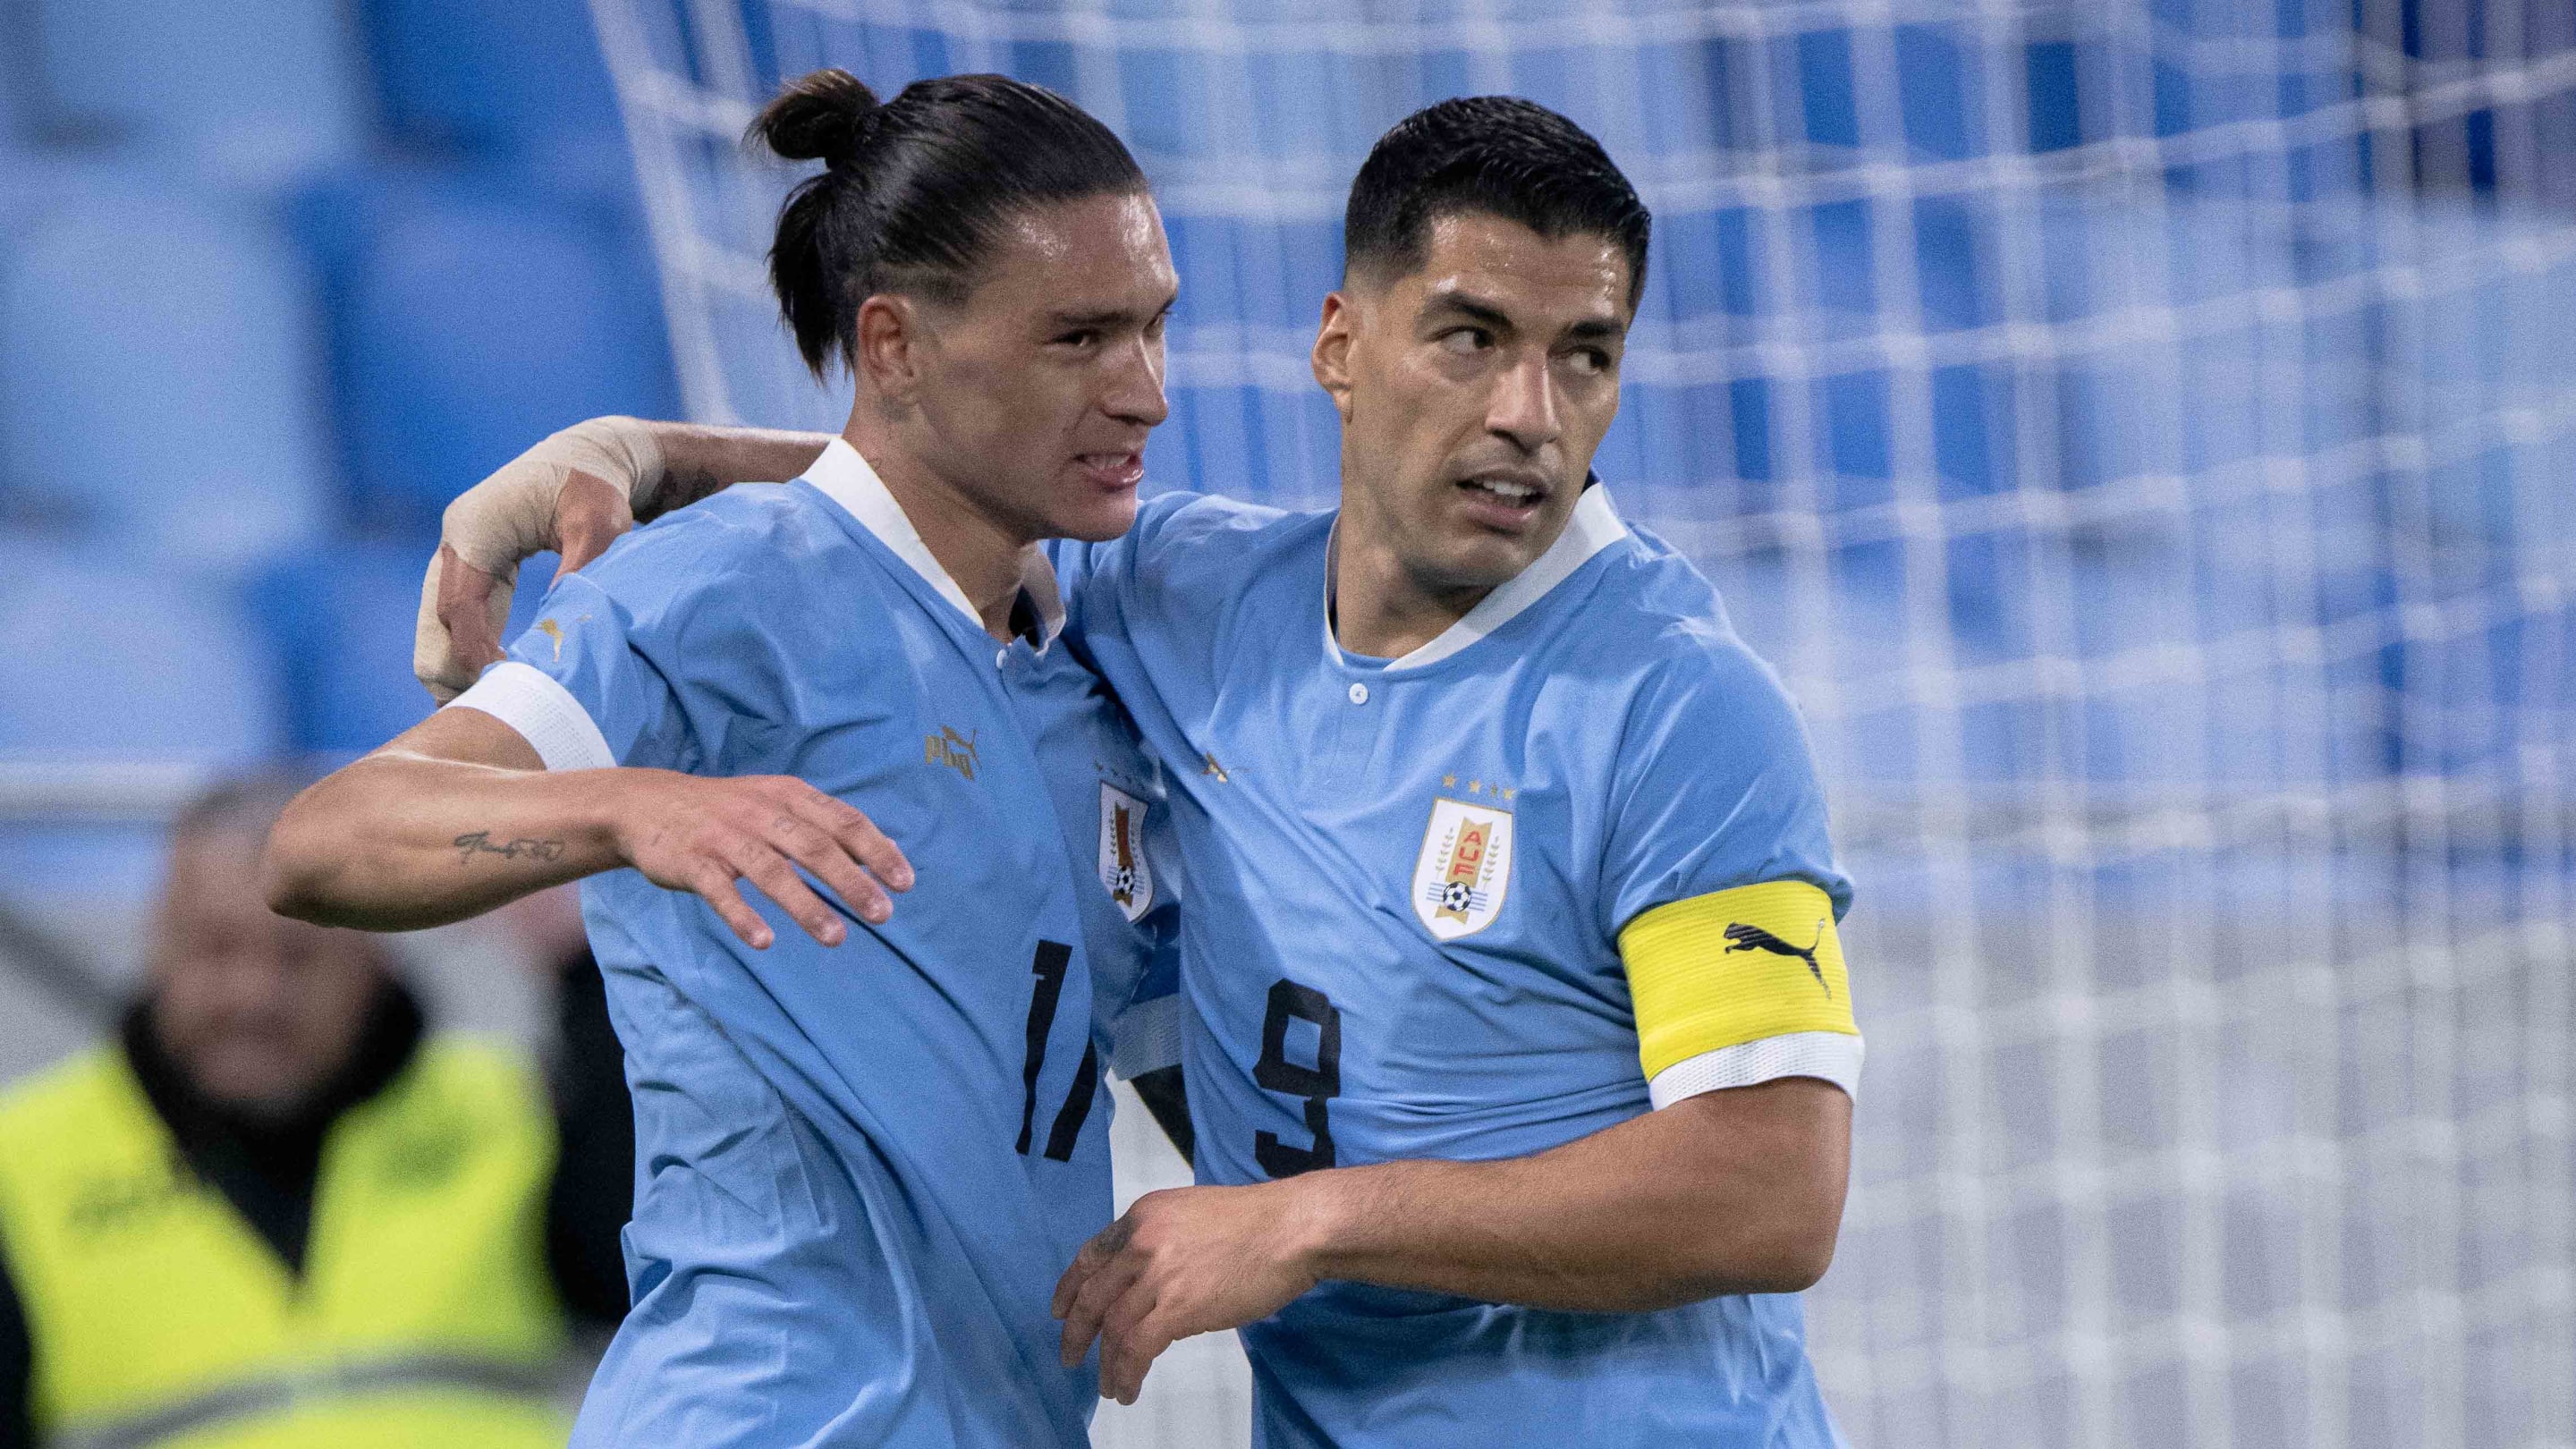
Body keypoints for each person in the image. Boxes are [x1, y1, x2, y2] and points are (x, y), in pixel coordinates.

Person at [418, 96, 1861, 1446]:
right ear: (1340, 345)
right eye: (1470, 338)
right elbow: (936, 479)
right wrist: (637, 453)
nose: (1528, 414)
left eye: (1586, 355)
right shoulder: (1190, 599)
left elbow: (1773, 1191)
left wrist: (1308, 1223)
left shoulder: (1677, 704)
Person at [266, 70, 1185, 1449]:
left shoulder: (1089, 671)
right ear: (895, 346)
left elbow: (1198, 1094)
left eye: (1155, 326)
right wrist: (631, 808)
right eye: (1080, 339)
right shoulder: (734, 583)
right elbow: (325, 840)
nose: (1147, 392)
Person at [0, 773, 632, 1449]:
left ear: (376, 951)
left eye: (297, 957)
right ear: (157, 944)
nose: (254, 995)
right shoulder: (21, 1156)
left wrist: (587, 974)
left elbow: (639, 1285)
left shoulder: (508, 1111)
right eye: (215, 948)